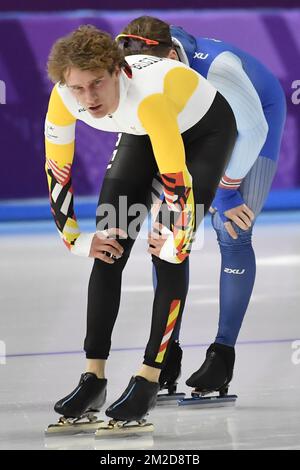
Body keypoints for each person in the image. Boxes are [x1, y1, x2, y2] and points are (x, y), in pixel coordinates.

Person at [45, 24, 236, 426]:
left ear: (119, 72)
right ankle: (93, 377)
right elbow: (58, 172)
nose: (88, 99)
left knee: (167, 251)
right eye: (78, 88)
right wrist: (77, 241)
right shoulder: (63, 98)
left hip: (202, 133)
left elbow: (176, 178)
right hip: (142, 134)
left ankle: (149, 377)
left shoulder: (146, 98)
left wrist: (178, 234)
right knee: (109, 245)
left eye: (97, 84)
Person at [116, 16, 286, 398]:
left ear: (173, 55)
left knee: (233, 231)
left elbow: (253, 130)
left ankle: (222, 356)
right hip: (193, 125)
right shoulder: (129, 60)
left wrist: (227, 191)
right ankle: (167, 352)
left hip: (253, 120)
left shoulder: (219, 68)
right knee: (170, 238)